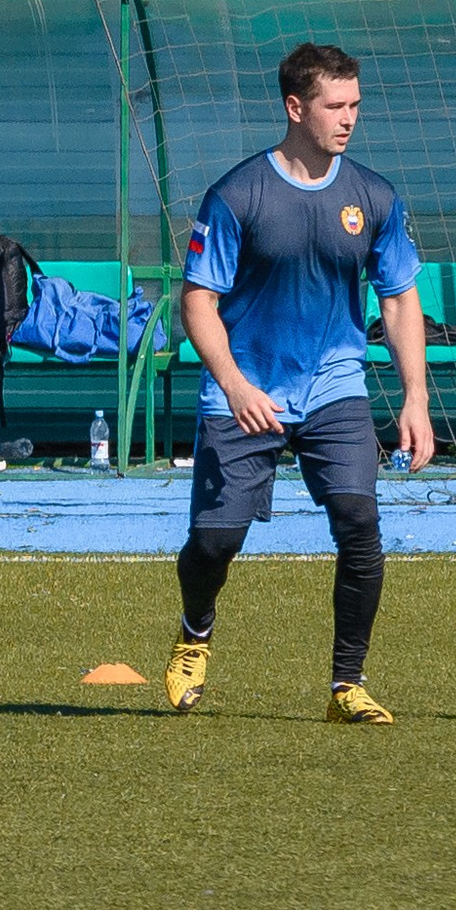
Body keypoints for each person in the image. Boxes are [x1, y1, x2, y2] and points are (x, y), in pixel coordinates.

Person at [165, 41, 432, 721]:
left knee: (359, 520)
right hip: (246, 388)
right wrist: (233, 384)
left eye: (356, 106)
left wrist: (415, 399)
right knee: (215, 542)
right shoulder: (237, 195)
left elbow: (399, 300)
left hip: (335, 385)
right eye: (334, 106)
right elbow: (197, 301)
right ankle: (196, 632)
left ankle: (348, 685)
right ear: (294, 107)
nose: (348, 120)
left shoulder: (373, 196)